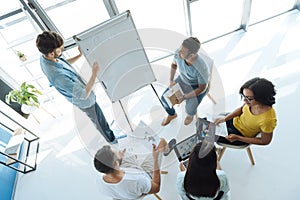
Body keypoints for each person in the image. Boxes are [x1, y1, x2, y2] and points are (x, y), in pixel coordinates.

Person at [36, 31, 119, 144]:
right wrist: (94, 73)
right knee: (100, 122)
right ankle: (112, 140)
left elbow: (63, 62)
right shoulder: (58, 76)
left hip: (80, 90)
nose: (63, 49)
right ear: (51, 53)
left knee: (100, 117)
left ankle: (107, 131)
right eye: (60, 49)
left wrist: (79, 55)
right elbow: (84, 94)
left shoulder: (44, 57)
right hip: (85, 100)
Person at [93, 138, 168, 200]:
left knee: (126, 148)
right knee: (161, 142)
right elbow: (156, 187)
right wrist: (155, 159)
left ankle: (129, 155)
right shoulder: (137, 180)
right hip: (144, 175)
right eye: (117, 154)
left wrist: (120, 158)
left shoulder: (99, 181)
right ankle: (166, 150)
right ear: (116, 164)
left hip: (125, 179)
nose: (119, 153)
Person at [161, 37, 211, 126]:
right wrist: (171, 80)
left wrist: (184, 97)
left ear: (191, 55)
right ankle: (172, 114)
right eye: (180, 49)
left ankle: (190, 115)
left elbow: (201, 89)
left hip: (197, 87)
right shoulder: (178, 53)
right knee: (164, 99)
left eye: (182, 52)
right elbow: (173, 64)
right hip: (183, 80)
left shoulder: (202, 67)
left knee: (190, 109)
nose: (179, 52)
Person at [214, 77, 277, 146]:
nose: (244, 100)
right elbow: (241, 109)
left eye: (249, 98)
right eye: (244, 96)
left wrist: (238, 138)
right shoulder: (252, 102)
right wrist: (225, 118)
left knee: (205, 134)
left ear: (261, 98)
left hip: (239, 135)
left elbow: (264, 141)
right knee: (203, 122)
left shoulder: (268, 120)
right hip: (234, 121)